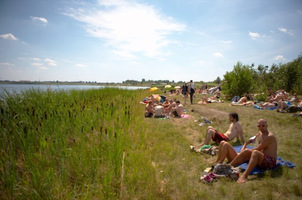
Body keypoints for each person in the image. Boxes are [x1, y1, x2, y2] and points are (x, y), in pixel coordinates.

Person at [215, 119, 277, 183]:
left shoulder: (269, 137)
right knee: (247, 151)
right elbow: (258, 144)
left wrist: (246, 150)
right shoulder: (260, 133)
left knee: (254, 152)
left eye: (263, 125)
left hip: (270, 161)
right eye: (259, 126)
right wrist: (248, 145)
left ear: (267, 126)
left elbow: (258, 148)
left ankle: (244, 175)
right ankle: (228, 167)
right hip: (262, 157)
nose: (261, 127)